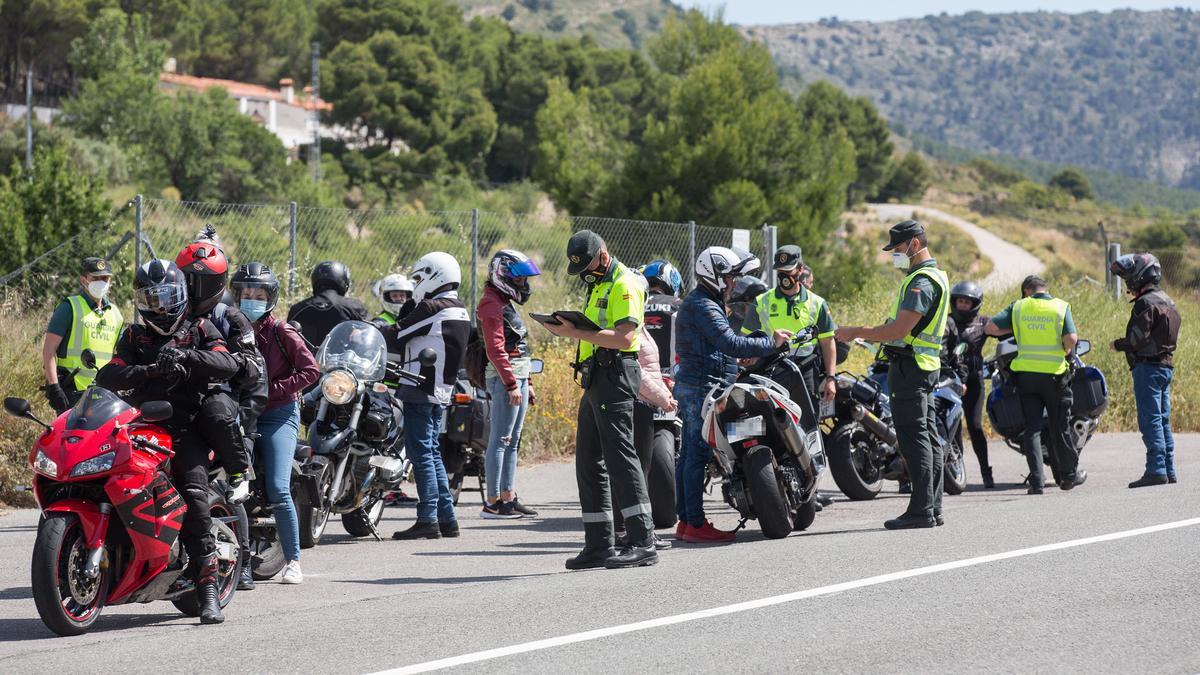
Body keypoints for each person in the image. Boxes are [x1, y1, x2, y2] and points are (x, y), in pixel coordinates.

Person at [96, 259, 240, 624]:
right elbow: (108, 374)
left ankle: (207, 586)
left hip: (183, 430)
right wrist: (152, 369)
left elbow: (227, 365)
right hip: (137, 427)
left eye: (165, 297)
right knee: (100, 478)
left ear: (179, 295)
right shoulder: (132, 336)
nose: (159, 306)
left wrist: (189, 358)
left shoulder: (200, 326)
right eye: (150, 298)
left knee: (193, 494)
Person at [542, 230, 657, 569]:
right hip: (596, 377)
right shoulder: (599, 284)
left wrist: (573, 332)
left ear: (603, 257)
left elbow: (624, 338)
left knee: (621, 457)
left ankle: (643, 540)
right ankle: (599, 544)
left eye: (588, 267)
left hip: (616, 374)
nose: (585, 275)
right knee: (589, 461)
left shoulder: (625, 284)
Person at [836, 220, 950, 530]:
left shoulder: (921, 282)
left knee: (914, 441)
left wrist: (855, 331)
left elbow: (900, 329)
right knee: (927, 438)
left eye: (897, 248)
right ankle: (932, 508)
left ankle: (922, 510)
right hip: (922, 367)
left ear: (914, 244)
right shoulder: (933, 276)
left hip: (911, 369)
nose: (894, 254)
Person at [674, 247, 789, 543]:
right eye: (729, 277)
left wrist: (735, 361)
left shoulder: (705, 302)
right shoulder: (703, 305)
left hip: (698, 384)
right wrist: (770, 343)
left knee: (689, 454)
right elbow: (728, 341)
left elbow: (713, 346)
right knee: (695, 455)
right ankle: (694, 524)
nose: (733, 283)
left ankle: (687, 522)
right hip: (702, 387)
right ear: (713, 275)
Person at [174, 233, 264, 591]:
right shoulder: (167, 311)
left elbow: (255, 370)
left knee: (224, 487)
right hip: (176, 405)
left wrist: (229, 365)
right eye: (188, 279)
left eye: (204, 281)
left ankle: (241, 561)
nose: (196, 287)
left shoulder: (231, 317)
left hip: (220, 406)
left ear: (219, 283)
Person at [233, 262, 321, 584]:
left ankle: (294, 560)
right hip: (243, 413)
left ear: (270, 298)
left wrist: (271, 391)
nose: (251, 299)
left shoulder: (281, 331)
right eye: (245, 294)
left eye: (258, 294)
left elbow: (311, 371)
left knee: (279, 489)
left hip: (279, 415)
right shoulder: (231, 327)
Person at [380, 252, 471, 541]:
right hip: (440, 389)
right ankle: (447, 518)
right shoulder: (459, 308)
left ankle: (427, 518)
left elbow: (397, 332)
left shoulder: (433, 306)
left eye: (419, 278)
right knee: (431, 453)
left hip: (420, 386)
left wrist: (367, 330)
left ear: (435, 275)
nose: (417, 284)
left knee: (421, 455)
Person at [985, 275, 1087, 494]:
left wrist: (1016, 329)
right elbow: (1071, 338)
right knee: (1059, 426)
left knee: (1032, 429)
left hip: (1027, 378)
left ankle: (1037, 482)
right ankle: (1069, 476)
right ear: (1044, 289)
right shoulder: (1060, 307)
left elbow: (991, 328)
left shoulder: (1019, 307)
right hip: (1054, 377)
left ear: (1026, 291)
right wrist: (1065, 351)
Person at [476, 250, 541, 519]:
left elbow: (519, 347)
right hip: (506, 379)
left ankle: (508, 498)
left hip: (518, 377)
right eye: (519, 279)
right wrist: (512, 384)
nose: (523, 284)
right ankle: (492, 503)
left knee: (512, 441)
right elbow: (495, 348)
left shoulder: (504, 301)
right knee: (500, 440)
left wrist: (528, 382)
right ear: (502, 275)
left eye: (525, 279)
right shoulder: (490, 303)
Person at [1110, 254, 1182, 488]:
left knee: (1150, 420)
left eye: (1127, 277)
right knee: (1162, 421)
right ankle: (1168, 470)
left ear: (1140, 274)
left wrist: (1117, 344)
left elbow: (1136, 339)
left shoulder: (1146, 303)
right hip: (1165, 367)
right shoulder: (1168, 301)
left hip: (1148, 368)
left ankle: (1156, 470)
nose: (1127, 282)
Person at [740, 245, 837, 406]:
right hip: (769, 370)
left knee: (807, 423)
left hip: (805, 370)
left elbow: (828, 343)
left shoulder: (817, 303)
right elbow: (745, 339)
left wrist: (830, 379)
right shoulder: (761, 302)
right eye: (780, 272)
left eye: (788, 271)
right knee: (770, 423)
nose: (784, 276)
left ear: (800, 269)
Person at [42, 257, 124, 414]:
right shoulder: (69, 307)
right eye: (95, 278)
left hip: (105, 394)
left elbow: (120, 354)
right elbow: (49, 350)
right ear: (84, 280)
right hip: (72, 392)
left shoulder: (116, 314)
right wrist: (54, 386)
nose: (101, 282)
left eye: (105, 278)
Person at [949, 280, 995, 487]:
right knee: (953, 428)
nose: (962, 305)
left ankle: (986, 473)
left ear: (975, 304)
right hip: (951, 379)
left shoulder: (984, 322)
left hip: (975, 379)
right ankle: (957, 472)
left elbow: (1008, 332)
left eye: (967, 302)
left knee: (975, 426)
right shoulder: (946, 321)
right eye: (959, 301)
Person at [287, 261, 368, 348]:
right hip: (342, 360)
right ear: (344, 281)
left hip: (305, 360)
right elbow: (369, 333)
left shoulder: (298, 308)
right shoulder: (354, 307)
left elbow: (287, 338)